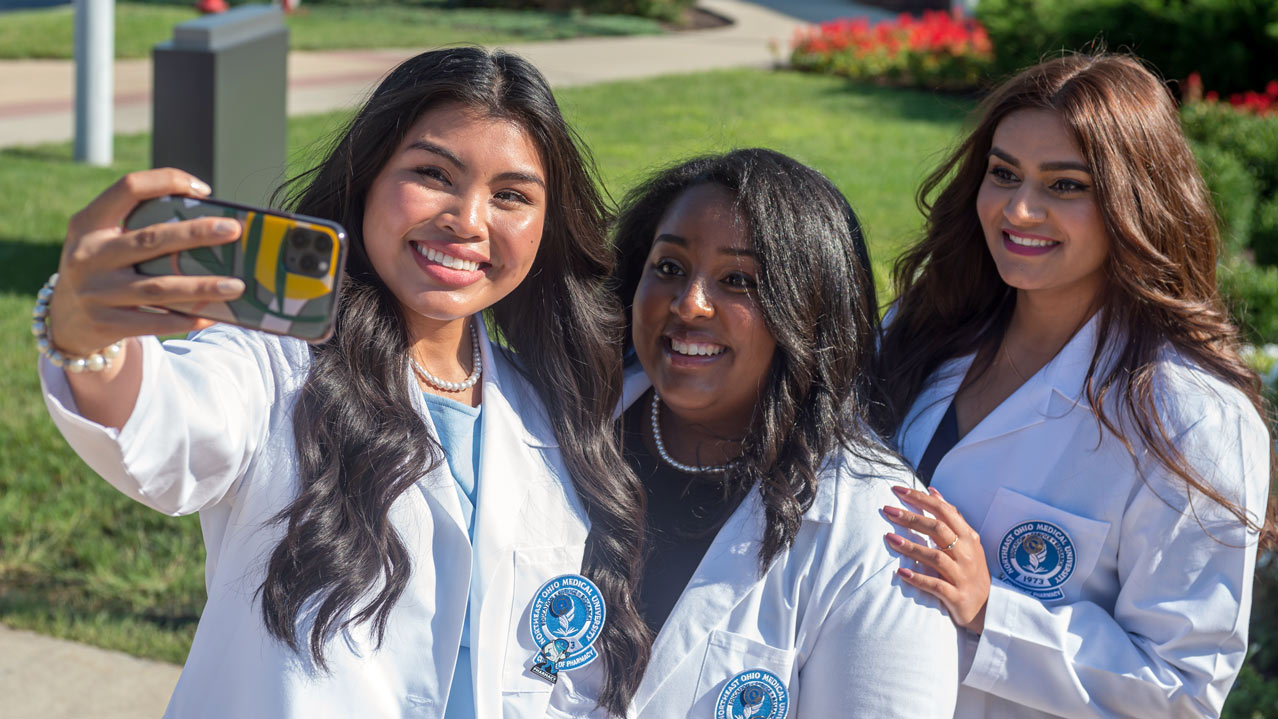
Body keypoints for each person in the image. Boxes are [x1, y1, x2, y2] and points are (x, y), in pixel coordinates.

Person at [36, 48, 647, 718]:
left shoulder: (547, 409)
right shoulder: (277, 366)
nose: (469, 221)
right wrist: (84, 334)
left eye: (511, 195)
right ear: (369, 180)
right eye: (433, 174)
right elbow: (167, 422)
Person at [875, 53, 1275, 717]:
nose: (1019, 208)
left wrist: (992, 609)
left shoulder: (1193, 422)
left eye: (1065, 185)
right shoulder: (922, 329)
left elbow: (1182, 688)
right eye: (1004, 174)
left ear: (1134, 202)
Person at [548, 149, 959, 718]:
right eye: (668, 267)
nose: (689, 304)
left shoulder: (877, 529)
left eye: (738, 280)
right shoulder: (548, 428)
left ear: (812, 312)